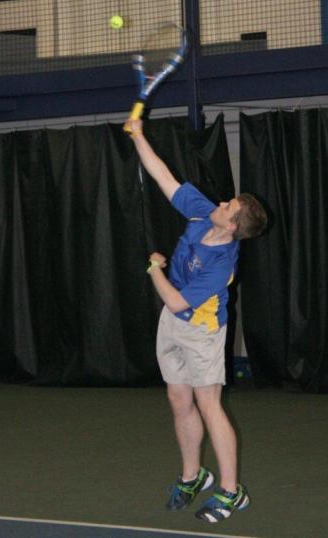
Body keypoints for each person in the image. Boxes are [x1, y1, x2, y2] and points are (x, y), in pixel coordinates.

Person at [124, 117, 267, 524]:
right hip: (173, 327)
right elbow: (163, 176)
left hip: (201, 331)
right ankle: (192, 476)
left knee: (209, 405)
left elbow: (172, 300)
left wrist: (153, 267)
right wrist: (138, 136)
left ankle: (231, 491)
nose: (221, 203)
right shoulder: (204, 214)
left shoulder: (221, 264)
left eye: (229, 207)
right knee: (177, 399)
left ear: (234, 226)